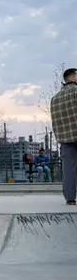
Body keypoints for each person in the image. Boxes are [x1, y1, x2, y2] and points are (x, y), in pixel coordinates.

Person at [50, 67, 77, 205]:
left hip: (65, 138)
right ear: (73, 77)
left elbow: (55, 120)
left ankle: (70, 199)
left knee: (68, 169)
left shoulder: (55, 99)